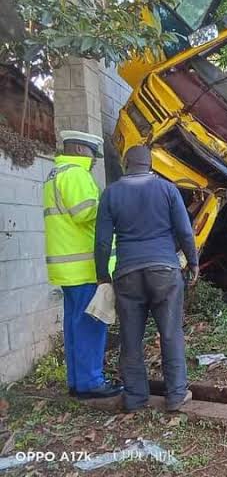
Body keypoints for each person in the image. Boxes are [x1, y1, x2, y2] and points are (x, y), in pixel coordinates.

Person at [94, 146, 199, 413]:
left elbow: (103, 241)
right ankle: (175, 395)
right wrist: (193, 262)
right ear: (150, 164)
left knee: (131, 337)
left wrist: (102, 275)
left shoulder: (111, 193)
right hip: (164, 270)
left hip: (127, 273)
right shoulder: (167, 189)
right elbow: (185, 231)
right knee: (170, 333)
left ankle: (135, 397)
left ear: (126, 163)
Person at [43, 131, 122, 399]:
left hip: (68, 269)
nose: (94, 160)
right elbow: (86, 213)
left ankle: (77, 382)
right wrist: (112, 206)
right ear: (78, 148)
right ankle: (90, 383)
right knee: (91, 324)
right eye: (91, 153)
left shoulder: (56, 173)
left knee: (75, 326)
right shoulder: (75, 174)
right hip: (85, 268)